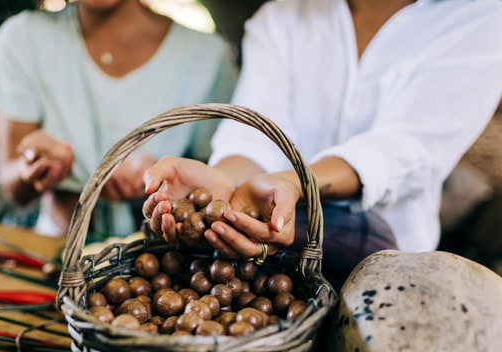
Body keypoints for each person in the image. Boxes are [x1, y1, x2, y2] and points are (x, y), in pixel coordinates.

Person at [142, 0, 502, 289]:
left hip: (389, 285)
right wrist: (219, 181)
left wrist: (295, 184)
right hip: (265, 270)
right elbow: (252, 138)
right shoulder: (283, 16)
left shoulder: (481, 18)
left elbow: (405, 149)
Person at [0, 0, 238, 237]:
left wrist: (163, 178)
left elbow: (222, 177)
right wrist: (34, 166)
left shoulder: (208, 56)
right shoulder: (23, 38)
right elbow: (13, 185)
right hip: (56, 249)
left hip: (165, 259)